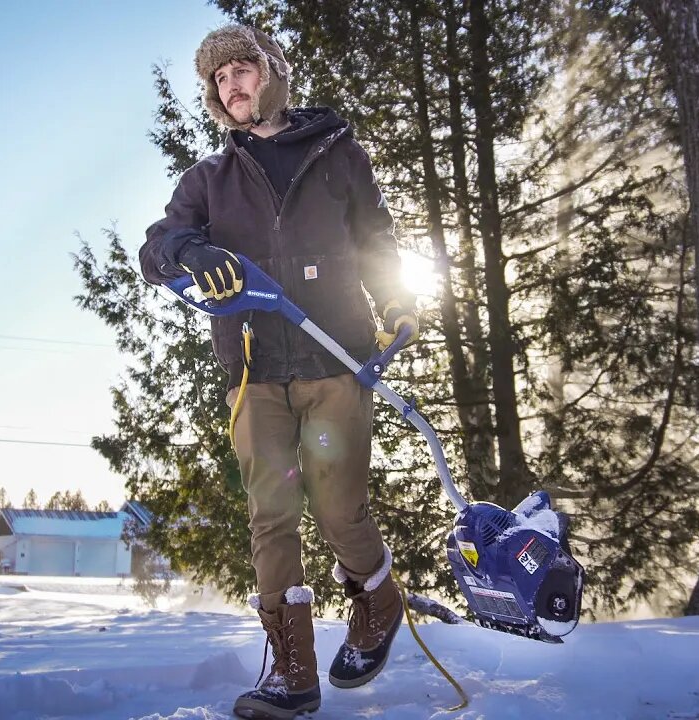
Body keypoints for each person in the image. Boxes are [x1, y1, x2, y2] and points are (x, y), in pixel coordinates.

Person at [139, 24, 418, 720]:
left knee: (336, 509)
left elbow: (377, 240)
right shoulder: (208, 180)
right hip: (254, 371)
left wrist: (397, 303)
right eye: (219, 79)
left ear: (272, 74)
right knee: (273, 517)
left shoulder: (337, 154)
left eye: (243, 70)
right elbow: (156, 248)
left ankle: (378, 601)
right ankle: (293, 672)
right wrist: (188, 252)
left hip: (336, 358)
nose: (232, 85)